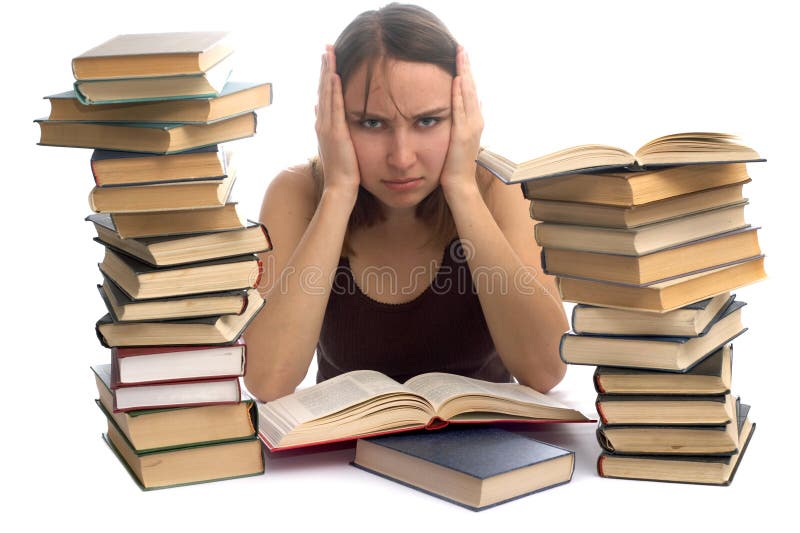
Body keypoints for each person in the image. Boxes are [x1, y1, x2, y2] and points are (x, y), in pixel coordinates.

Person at [243, 3, 569, 402]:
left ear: (465, 117)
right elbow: (267, 381)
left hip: (486, 448)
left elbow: (546, 370)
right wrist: (339, 190)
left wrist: (462, 188)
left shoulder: (498, 188)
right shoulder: (298, 192)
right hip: (337, 460)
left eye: (428, 122)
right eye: (372, 123)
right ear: (334, 121)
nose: (401, 157)